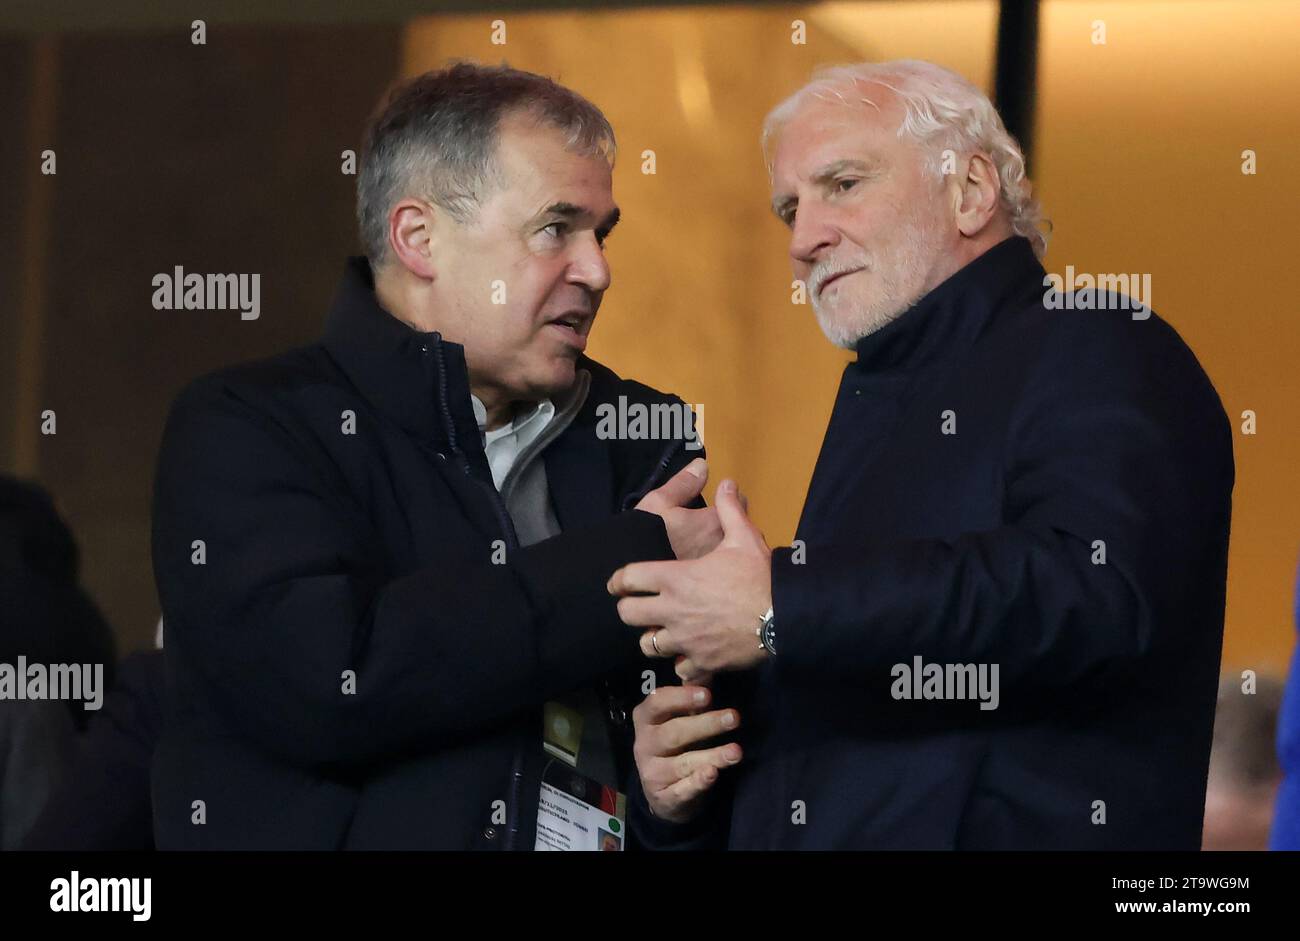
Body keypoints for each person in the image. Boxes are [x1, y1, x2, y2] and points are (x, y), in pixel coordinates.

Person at [612, 59, 1234, 849]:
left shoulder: (1099, 340)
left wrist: (778, 608)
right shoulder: (880, 406)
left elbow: (1096, 591)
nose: (803, 240)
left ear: (970, 191)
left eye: (842, 183)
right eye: (788, 207)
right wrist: (680, 798)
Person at [151, 62, 725, 849]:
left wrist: (670, 811)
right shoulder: (249, 426)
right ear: (419, 238)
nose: (597, 270)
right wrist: (621, 562)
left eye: (602, 233)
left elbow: (707, 751)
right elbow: (333, 683)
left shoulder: (643, 440)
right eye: (556, 228)